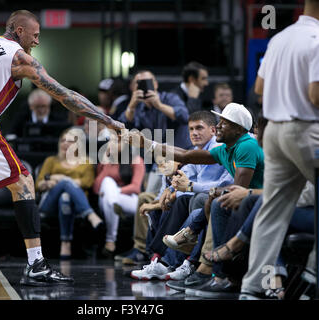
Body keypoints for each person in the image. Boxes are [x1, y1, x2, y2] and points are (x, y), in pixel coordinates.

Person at [0, 10, 124, 286]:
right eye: (36, 35)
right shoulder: (19, 57)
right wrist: (107, 120)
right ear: (19, 31)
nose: (38, 41)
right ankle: (36, 264)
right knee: (23, 181)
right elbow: (65, 96)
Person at [240, 0, 319, 299]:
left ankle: (253, 287)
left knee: (272, 212)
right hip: (306, 130)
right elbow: (315, 93)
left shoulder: (279, 38)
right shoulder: (317, 39)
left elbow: (259, 88)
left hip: (273, 132)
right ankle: (312, 275)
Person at [129, 111, 233, 278]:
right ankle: (162, 260)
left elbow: (225, 185)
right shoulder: (198, 149)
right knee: (173, 200)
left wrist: (189, 186)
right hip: (204, 195)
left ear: (214, 130)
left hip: (217, 197)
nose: (194, 133)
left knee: (193, 199)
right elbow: (185, 170)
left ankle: (175, 261)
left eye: (199, 128)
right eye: (191, 129)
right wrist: (170, 190)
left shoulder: (219, 148)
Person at [36, 128, 103, 259]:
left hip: (75, 205)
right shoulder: (51, 160)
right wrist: (48, 183)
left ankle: (65, 243)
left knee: (65, 196)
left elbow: (87, 182)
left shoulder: (86, 163)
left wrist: (56, 178)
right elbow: (38, 184)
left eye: (70, 141)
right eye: (62, 140)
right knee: (66, 183)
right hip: (49, 204)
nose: (65, 144)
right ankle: (90, 214)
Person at [93, 133, 145, 257]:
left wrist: (114, 192)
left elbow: (136, 187)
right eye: (111, 141)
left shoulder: (136, 160)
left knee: (110, 197)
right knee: (107, 182)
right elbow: (96, 188)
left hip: (129, 199)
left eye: (117, 141)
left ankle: (110, 240)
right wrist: (105, 162)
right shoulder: (105, 162)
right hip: (107, 200)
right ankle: (111, 238)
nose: (112, 144)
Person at [118, 69, 190, 150]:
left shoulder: (169, 98)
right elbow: (123, 126)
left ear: (155, 84)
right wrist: (131, 106)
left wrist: (159, 105)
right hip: (155, 153)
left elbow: (185, 117)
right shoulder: (136, 106)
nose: (144, 86)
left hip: (179, 150)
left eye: (147, 82)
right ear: (133, 87)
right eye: (139, 83)